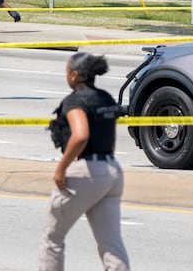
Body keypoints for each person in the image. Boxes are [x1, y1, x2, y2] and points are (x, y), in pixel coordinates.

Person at [39, 52, 129, 271]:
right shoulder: (105, 98)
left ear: (75, 75)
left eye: (67, 71)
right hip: (112, 171)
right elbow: (111, 139)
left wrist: (61, 169)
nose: (66, 75)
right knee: (111, 245)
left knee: (52, 238)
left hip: (87, 171)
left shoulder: (75, 100)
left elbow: (81, 135)